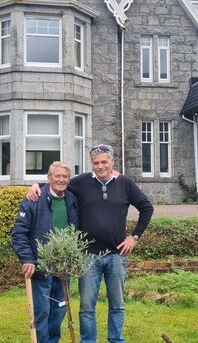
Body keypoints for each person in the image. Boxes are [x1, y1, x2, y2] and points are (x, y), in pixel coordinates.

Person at [27, 144, 154, 343]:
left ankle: (116, 340)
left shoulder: (125, 183)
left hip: (116, 255)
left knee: (117, 305)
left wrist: (134, 237)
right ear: (91, 164)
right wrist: (37, 186)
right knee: (86, 307)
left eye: (104, 162)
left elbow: (146, 207)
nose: (100, 166)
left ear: (112, 162)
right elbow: (59, 183)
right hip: (88, 256)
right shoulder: (82, 182)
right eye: (96, 163)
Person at [12, 161, 79, 343]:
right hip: (41, 266)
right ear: (49, 178)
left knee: (59, 310)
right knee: (42, 311)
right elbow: (19, 233)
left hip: (64, 266)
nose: (61, 179)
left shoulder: (72, 200)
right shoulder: (34, 200)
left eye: (65, 176)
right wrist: (27, 259)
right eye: (57, 176)